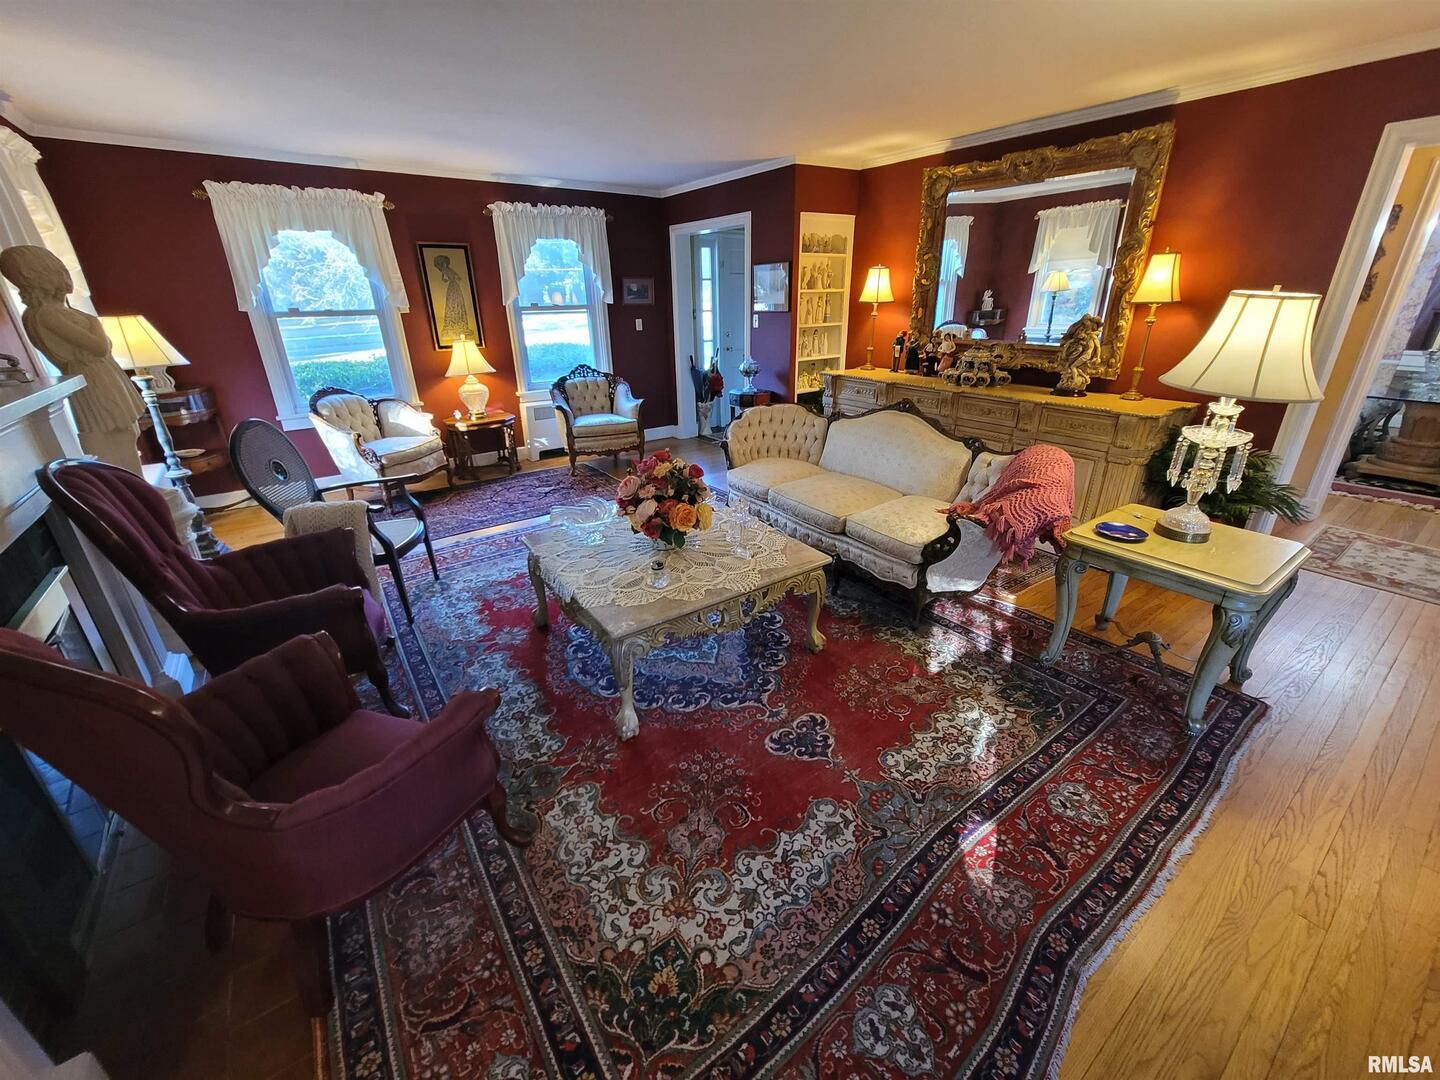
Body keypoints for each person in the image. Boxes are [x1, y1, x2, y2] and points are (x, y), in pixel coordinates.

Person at [0, 244, 143, 471]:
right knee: (111, 438)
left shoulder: (55, 311)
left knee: (126, 433)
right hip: (93, 379)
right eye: (58, 269)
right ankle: (135, 490)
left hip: (102, 374)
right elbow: (99, 347)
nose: (65, 274)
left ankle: (141, 487)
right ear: (42, 275)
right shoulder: (46, 315)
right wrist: (95, 322)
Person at [432, 254, 472, 343]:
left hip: (454, 286)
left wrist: (454, 278)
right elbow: (443, 278)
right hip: (452, 287)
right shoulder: (444, 270)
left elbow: (458, 276)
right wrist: (448, 280)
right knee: (452, 304)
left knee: (458, 304)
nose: (444, 265)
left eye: (445, 263)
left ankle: (460, 324)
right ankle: (453, 324)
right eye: (443, 263)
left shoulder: (448, 270)